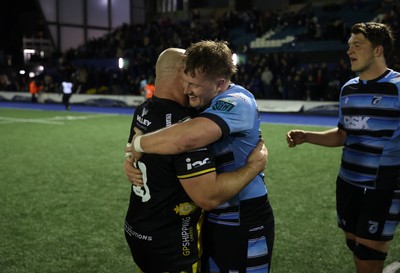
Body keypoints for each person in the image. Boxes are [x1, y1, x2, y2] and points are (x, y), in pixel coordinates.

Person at [128, 40, 274, 273]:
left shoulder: (238, 102)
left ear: (220, 84)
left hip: (243, 215)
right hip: (210, 219)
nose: (186, 89)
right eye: (185, 81)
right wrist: (131, 160)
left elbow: (186, 137)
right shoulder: (200, 101)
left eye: (193, 84)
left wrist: (138, 144)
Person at [286, 22, 400, 273]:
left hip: (382, 187)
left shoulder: (398, 86)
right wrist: (307, 136)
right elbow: (343, 135)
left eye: (357, 45)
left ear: (378, 50)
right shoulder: (348, 89)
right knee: (355, 247)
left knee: (367, 257)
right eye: (349, 46)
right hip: (347, 183)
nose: (349, 51)